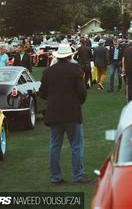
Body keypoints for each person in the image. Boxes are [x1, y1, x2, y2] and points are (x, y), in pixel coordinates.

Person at [39, 43, 89, 184]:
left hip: (53, 112)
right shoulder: (75, 69)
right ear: (70, 55)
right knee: (76, 145)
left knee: (55, 145)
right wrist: (77, 102)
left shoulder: (48, 71)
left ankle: (56, 177)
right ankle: (77, 175)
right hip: (72, 111)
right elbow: (82, 92)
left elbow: (43, 93)